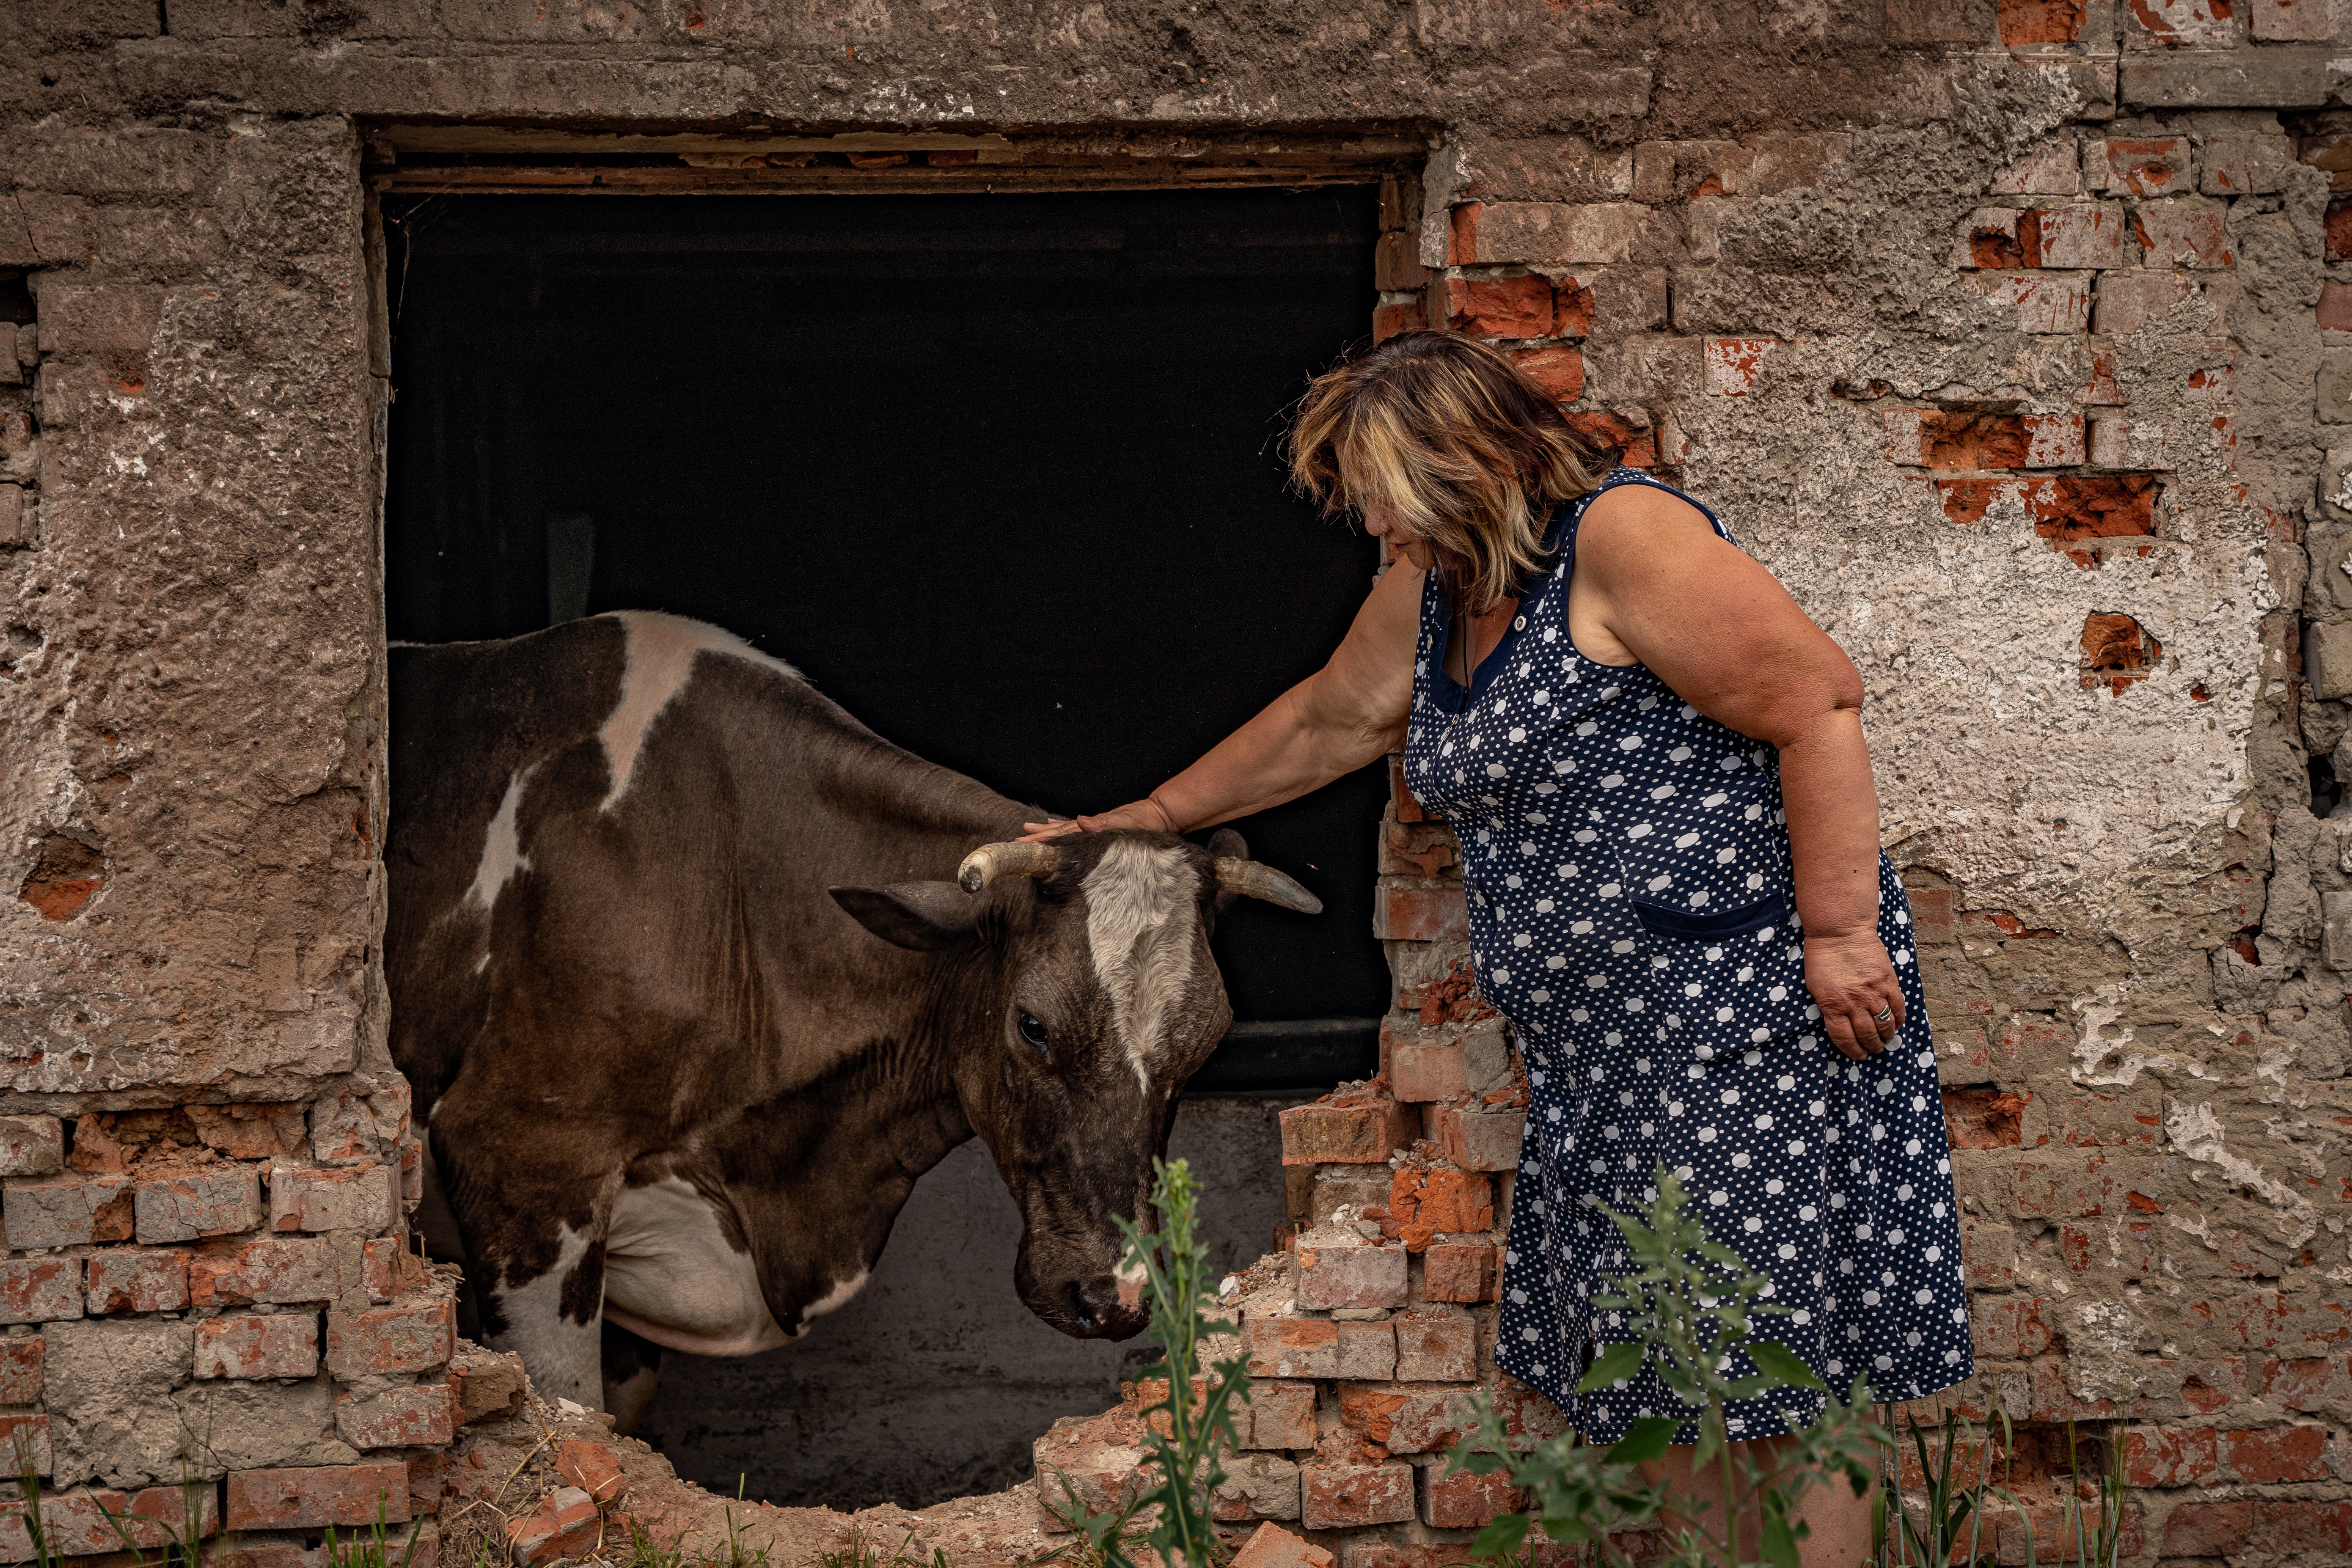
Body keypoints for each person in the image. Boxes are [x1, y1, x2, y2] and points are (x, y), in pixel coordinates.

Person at [1022, 331, 1971, 1564]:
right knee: (1670, 1359)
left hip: (1746, 1019)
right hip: (1610, 1050)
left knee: (1780, 1363)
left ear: (1461, 458)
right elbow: (1328, 718)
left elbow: (1818, 702)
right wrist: (1144, 817)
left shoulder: (1626, 541)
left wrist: (1841, 932)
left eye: (1376, 486)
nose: (1366, 519)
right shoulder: (1440, 584)